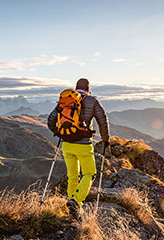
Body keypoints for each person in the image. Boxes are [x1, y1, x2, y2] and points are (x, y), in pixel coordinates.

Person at [47, 78, 110, 219]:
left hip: (67, 144)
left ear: (76, 88)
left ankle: (73, 208)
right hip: (83, 145)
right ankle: (76, 201)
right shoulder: (92, 101)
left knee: (72, 176)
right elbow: (102, 120)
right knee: (89, 174)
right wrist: (106, 140)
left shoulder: (66, 100)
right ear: (88, 89)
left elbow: (51, 120)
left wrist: (59, 133)